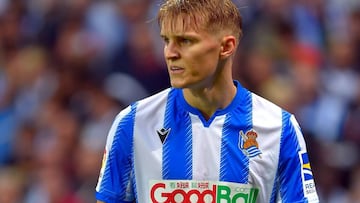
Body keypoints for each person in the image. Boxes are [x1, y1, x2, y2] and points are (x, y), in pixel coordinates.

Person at [95, 0, 320, 202]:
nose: (170, 53)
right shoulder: (133, 123)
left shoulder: (279, 128)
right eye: (166, 40)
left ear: (226, 47)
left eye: (185, 41)